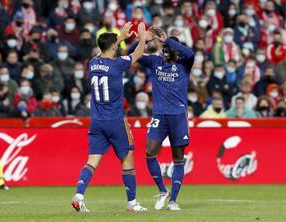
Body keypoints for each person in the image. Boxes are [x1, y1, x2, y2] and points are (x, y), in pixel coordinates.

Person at [71, 22, 148, 212]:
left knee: (92, 161)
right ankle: (132, 203)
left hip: (97, 121)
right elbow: (137, 54)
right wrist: (142, 38)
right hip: (115, 120)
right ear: (114, 47)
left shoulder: (93, 63)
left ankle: (79, 196)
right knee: (127, 160)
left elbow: (104, 51)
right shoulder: (116, 65)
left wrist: (119, 37)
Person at [128, 27, 194, 211]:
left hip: (178, 116)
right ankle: (162, 191)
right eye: (163, 50)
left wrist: (167, 41)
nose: (164, 53)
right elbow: (130, 54)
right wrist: (144, 40)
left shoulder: (184, 64)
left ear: (175, 50)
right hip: (159, 115)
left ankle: (173, 200)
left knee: (178, 158)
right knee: (149, 152)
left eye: (167, 50)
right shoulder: (155, 62)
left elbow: (190, 53)